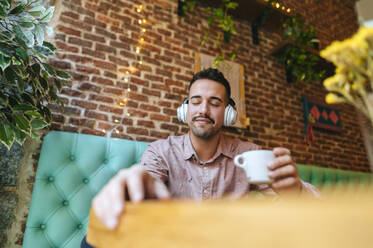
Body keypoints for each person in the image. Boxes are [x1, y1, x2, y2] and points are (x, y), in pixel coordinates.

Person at [82, 68, 319, 247]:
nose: (203, 110)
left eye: (214, 103)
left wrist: (296, 192)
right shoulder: (161, 151)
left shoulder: (248, 155)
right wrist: (132, 190)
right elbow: (147, 181)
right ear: (185, 111)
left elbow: (308, 212)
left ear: (227, 113)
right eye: (196, 102)